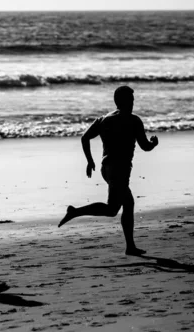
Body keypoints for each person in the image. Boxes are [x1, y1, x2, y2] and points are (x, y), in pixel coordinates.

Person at [58, 86, 158, 256]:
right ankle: (75, 212)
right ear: (123, 101)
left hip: (107, 168)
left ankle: (130, 247)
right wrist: (153, 143)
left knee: (123, 205)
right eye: (131, 100)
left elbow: (85, 138)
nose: (133, 103)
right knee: (113, 209)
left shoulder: (104, 120)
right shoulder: (134, 120)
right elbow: (145, 146)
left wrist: (90, 161)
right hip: (120, 168)